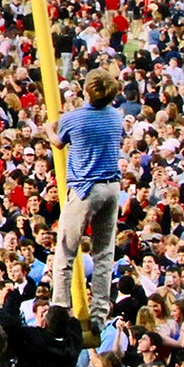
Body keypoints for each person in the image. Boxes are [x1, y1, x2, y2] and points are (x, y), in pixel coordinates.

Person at [49, 67, 125, 336]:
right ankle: (99, 315)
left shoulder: (74, 118)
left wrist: (48, 128)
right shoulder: (117, 117)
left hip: (85, 189)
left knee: (66, 251)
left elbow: (58, 142)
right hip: (112, 187)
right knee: (104, 253)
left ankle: (59, 306)